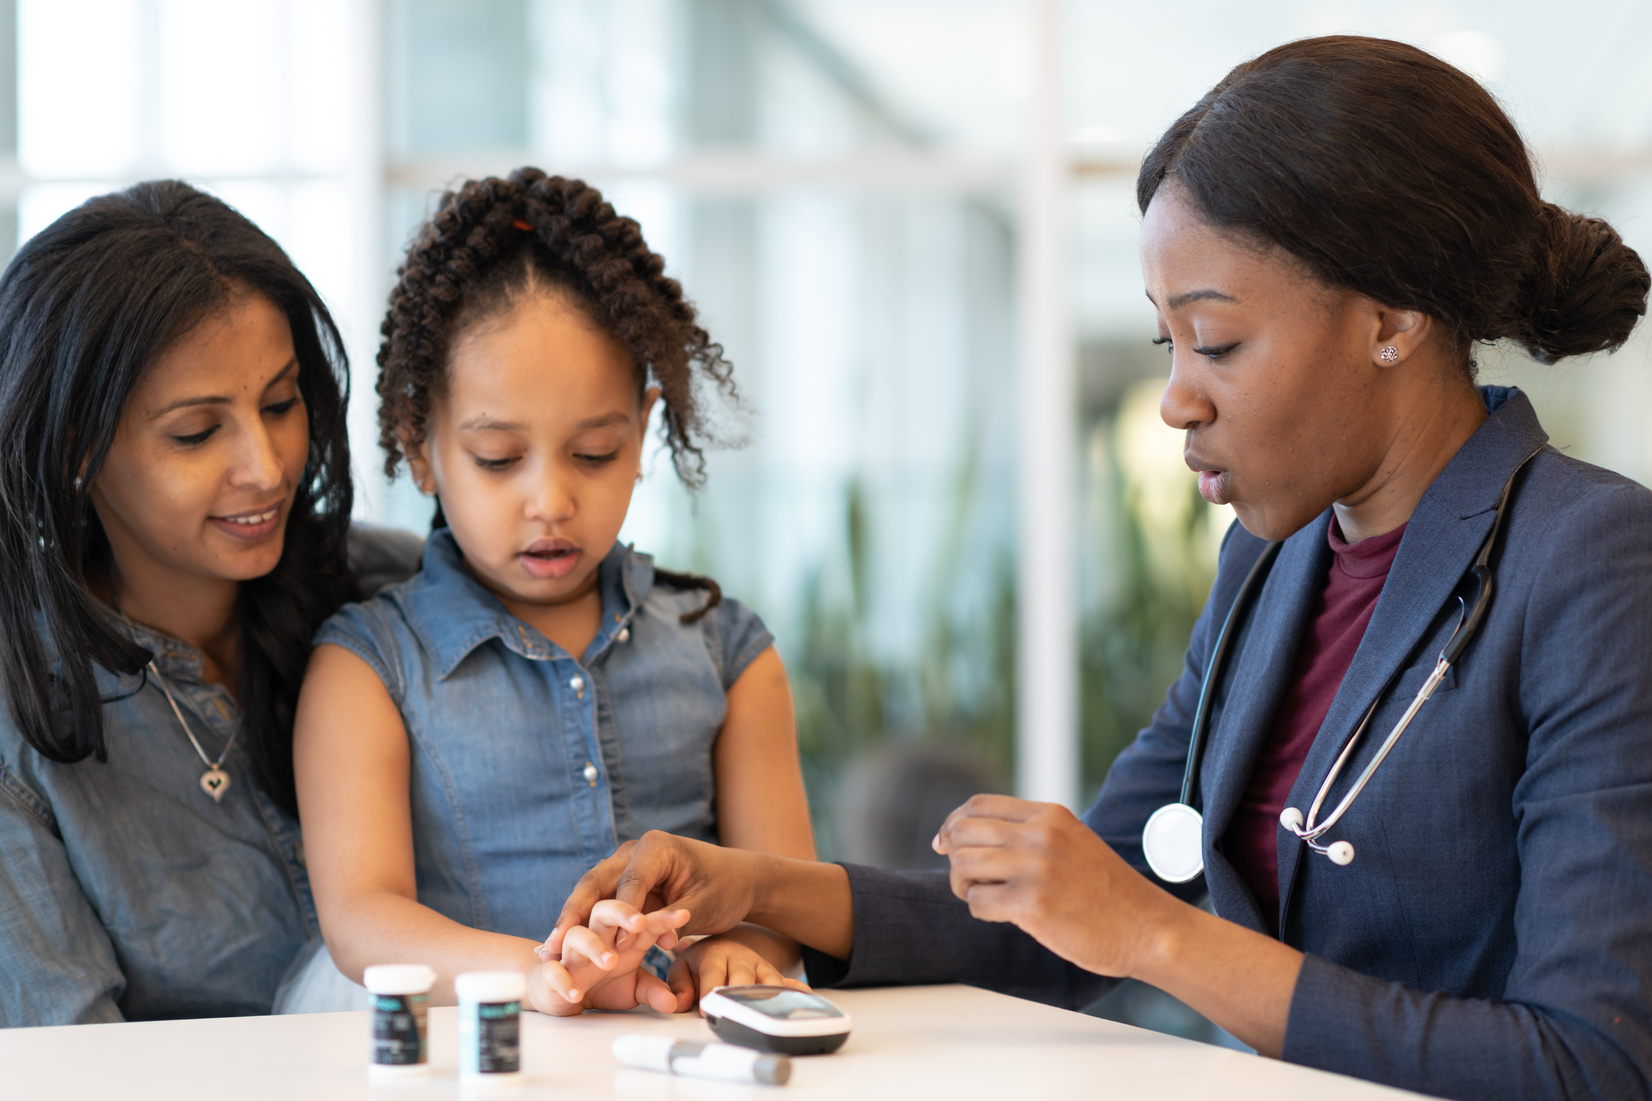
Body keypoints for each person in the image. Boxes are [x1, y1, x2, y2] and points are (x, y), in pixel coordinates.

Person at [545, 37, 1652, 1100]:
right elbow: (1070, 914)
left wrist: (1156, 933)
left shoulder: (1593, 560)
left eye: (1213, 341)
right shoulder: (1269, 565)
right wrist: (755, 884)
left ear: (1391, 317)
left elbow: (1585, 1065)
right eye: (1165, 342)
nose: (1176, 395)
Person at [292, 169, 816, 1017]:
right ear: (418, 446)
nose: (551, 501)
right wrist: (538, 972)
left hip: (673, 1053)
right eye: (499, 458)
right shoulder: (367, 667)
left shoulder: (728, 653)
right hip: (474, 1056)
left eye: (596, 452)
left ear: (642, 431)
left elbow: (787, 894)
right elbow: (363, 919)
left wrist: (740, 955)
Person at [0, 181, 420, 1025]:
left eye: (280, 402)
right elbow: (72, 1070)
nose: (266, 468)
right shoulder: (21, 719)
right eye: (196, 432)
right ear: (76, 445)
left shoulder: (401, 591)